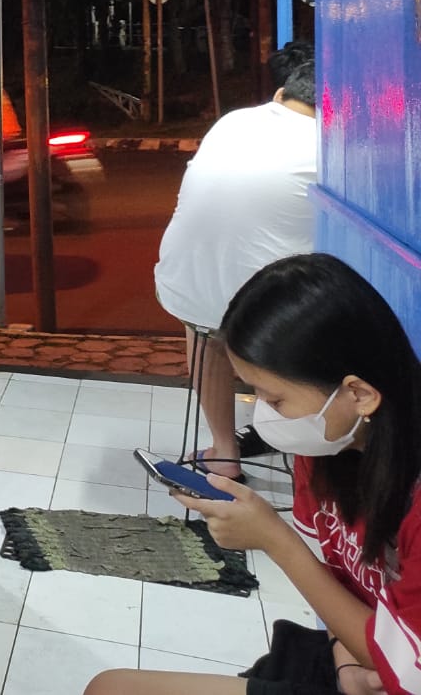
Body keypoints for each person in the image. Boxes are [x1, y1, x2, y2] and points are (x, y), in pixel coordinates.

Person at [86, 252, 421, 695]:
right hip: (369, 663)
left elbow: (407, 670)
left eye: (276, 400)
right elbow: (346, 588)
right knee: (109, 686)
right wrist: (344, 661)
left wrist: (274, 539)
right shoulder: (326, 449)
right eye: (255, 394)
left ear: (358, 394)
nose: (264, 417)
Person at [153, 50, 317, 479]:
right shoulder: (332, 146)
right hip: (267, 312)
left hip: (185, 285)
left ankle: (224, 452)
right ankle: (310, 456)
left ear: (280, 95)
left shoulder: (234, 121)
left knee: (206, 332)